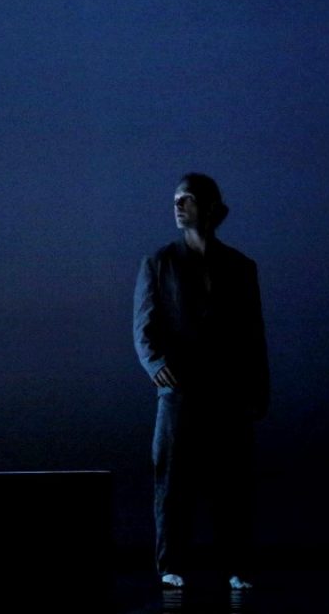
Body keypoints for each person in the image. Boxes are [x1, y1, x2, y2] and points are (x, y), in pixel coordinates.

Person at [133, 173, 269, 590]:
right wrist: (156, 365)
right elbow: (144, 327)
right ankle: (171, 563)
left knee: (233, 481)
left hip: (228, 391)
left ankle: (237, 565)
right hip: (179, 391)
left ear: (209, 208)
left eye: (187, 198)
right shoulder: (159, 263)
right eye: (176, 198)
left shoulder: (240, 267)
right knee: (173, 479)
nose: (178, 205)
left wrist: (258, 391)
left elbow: (253, 334)